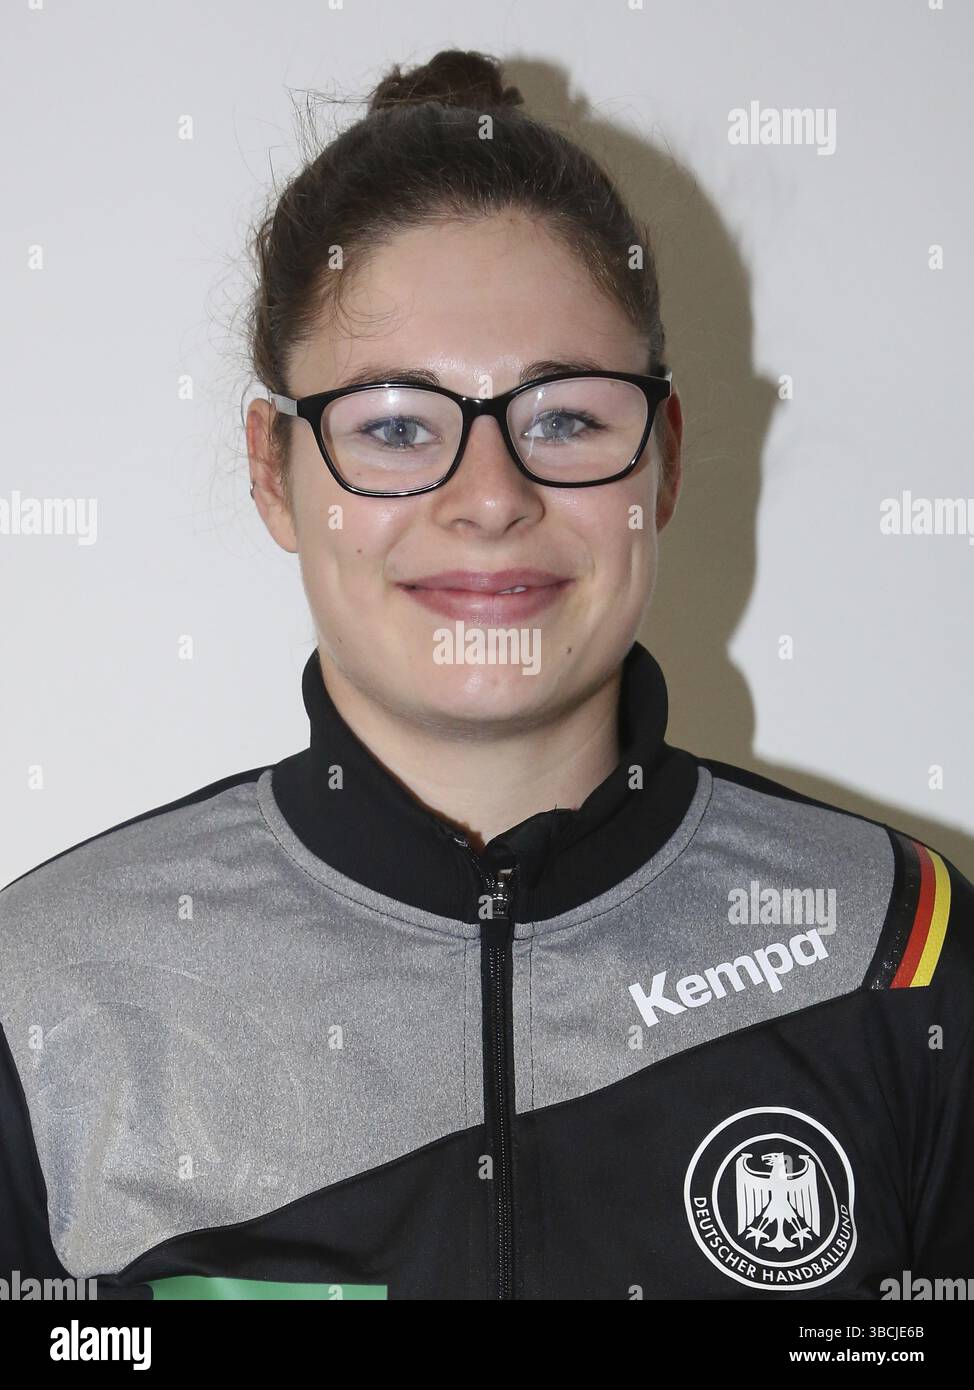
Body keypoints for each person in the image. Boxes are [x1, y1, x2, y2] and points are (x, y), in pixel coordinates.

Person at [1, 48, 971, 1304]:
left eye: (564, 418)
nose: (491, 499)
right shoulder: (48, 993)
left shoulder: (898, 951)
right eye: (395, 426)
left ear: (660, 461)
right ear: (270, 468)